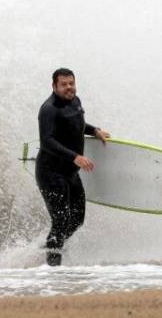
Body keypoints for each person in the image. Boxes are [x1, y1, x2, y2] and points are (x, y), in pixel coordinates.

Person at [35, 67, 110, 266]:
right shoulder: (49, 109)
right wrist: (75, 157)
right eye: (64, 84)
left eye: (71, 83)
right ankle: (53, 267)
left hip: (70, 172)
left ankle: (53, 245)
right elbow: (47, 141)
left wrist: (95, 130)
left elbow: (76, 124)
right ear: (54, 86)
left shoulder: (75, 102)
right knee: (60, 222)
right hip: (50, 173)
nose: (69, 88)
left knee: (77, 219)